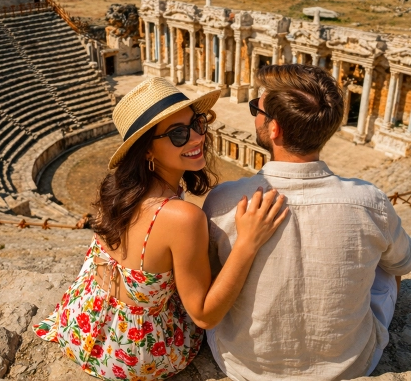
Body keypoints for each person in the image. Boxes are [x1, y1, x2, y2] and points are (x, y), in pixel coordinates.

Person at [34, 77, 289, 381]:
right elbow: (204, 315)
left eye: (197, 123)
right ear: (147, 151)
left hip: (81, 323)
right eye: (178, 134)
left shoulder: (118, 190)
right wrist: (247, 242)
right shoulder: (181, 217)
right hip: (133, 353)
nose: (196, 138)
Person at [203, 64, 411, 380]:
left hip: (246, 366)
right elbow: (406, 264)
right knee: (388, 262)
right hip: (350, 364)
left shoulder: (224, 201)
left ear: (274, 129)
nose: (255, 117)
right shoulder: (369, 200)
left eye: (256, 110)